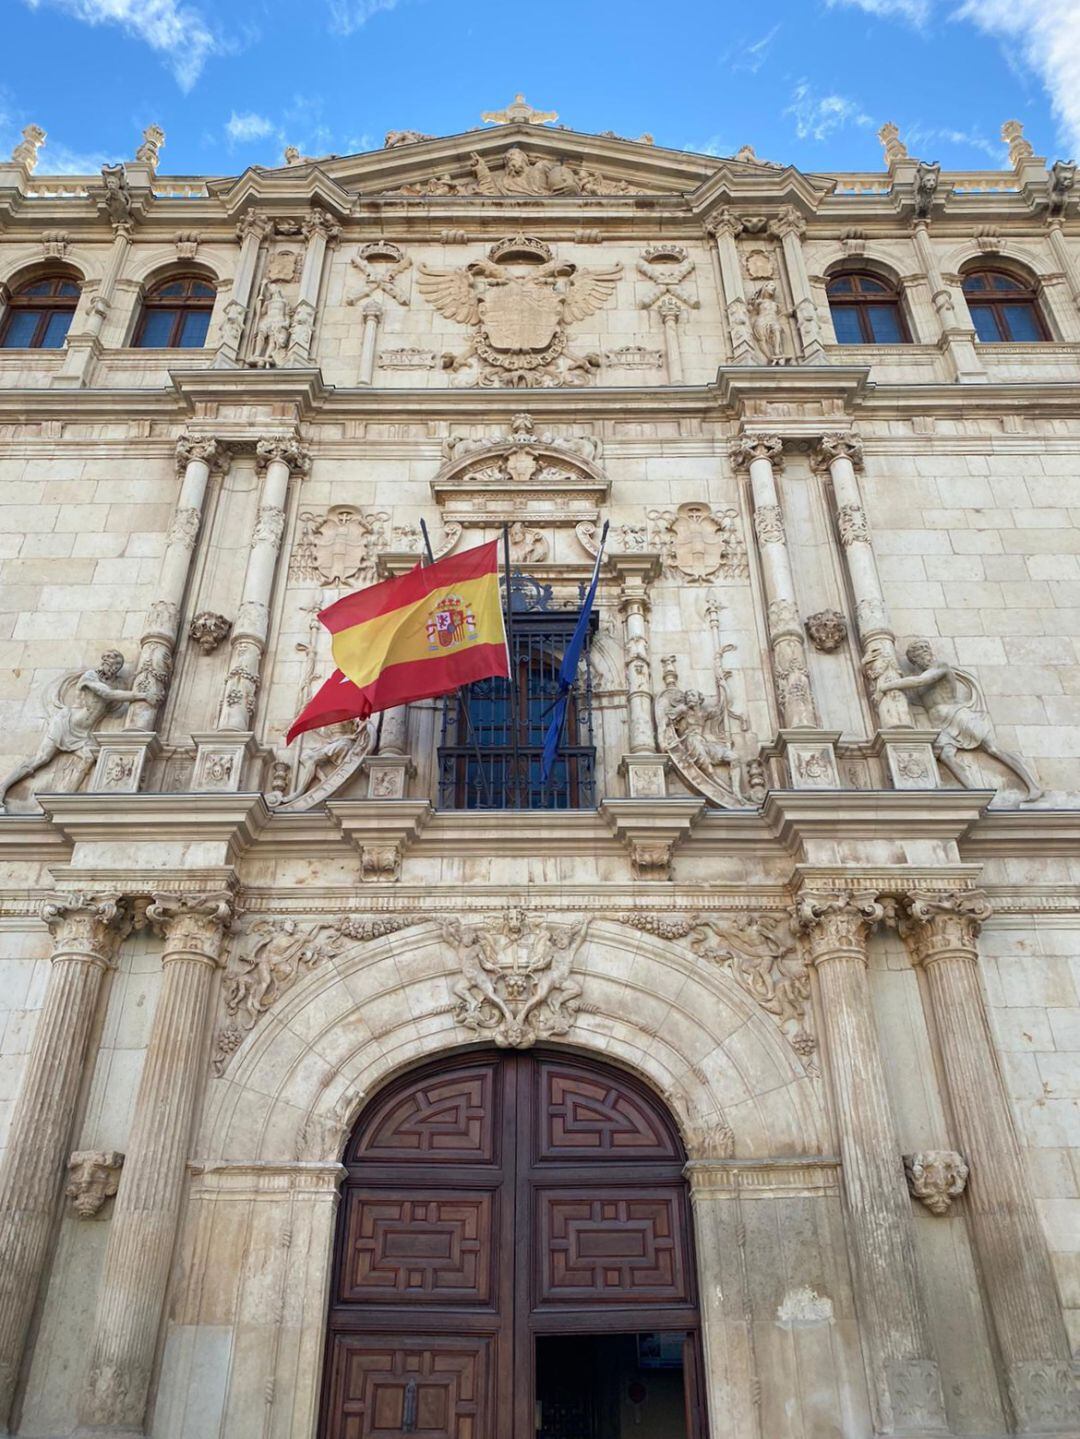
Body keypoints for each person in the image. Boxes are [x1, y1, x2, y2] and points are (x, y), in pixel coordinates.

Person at [877, 639, 1042, 800]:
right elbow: (916, 695)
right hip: (941, 725)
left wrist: (888, 685)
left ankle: (1033, 786)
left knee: (992, 749)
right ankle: (974, 792)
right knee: (946, 756)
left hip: (958, 716)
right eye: (917, 659)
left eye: (923, 655)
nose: (922, 660)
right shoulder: (921, 679)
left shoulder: (940, 667)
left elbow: (921, 680)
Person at [0, 650, 140, 809]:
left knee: (88, 758)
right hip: (66, 724)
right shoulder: (90, 677)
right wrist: (139, 695)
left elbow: (115, 697)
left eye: (117, 666)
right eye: (112, 665)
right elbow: (106, 693)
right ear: (104, 663)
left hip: (83, 734)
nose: (113, 669)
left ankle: (62, 799)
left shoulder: (116, 683)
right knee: (42, 758)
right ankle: (3, 787)